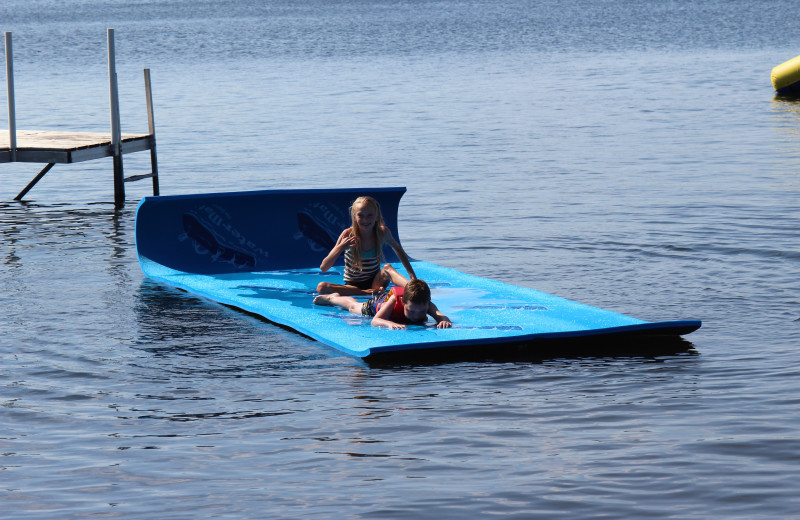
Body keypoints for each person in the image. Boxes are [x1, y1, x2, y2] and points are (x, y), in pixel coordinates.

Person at [317, 196, 417, 296]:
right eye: (361, 215)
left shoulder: (382, 232)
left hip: (376, 283)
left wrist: (412, 276)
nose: (365, 219)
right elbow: (324, 267)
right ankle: (364, 292)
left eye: (370, 215)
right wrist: (340, 248)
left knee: (387, 268)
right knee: (322, 287)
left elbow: (398, 249)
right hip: (352, 287)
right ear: (355, 217)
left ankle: (413, 288)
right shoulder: (348, 235)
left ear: (377, 216)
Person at [313, 279, 452, 330]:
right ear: (403, 302)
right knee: (353, 307)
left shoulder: (425, 303)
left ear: (427, 304)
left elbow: (441, 316)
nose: (416, 316)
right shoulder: (395, 301)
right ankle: (332, 298)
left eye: (421, 312)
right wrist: (389, 324)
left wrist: (443, 321)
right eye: (411, 311)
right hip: (376, 306)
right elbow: (375, 321)